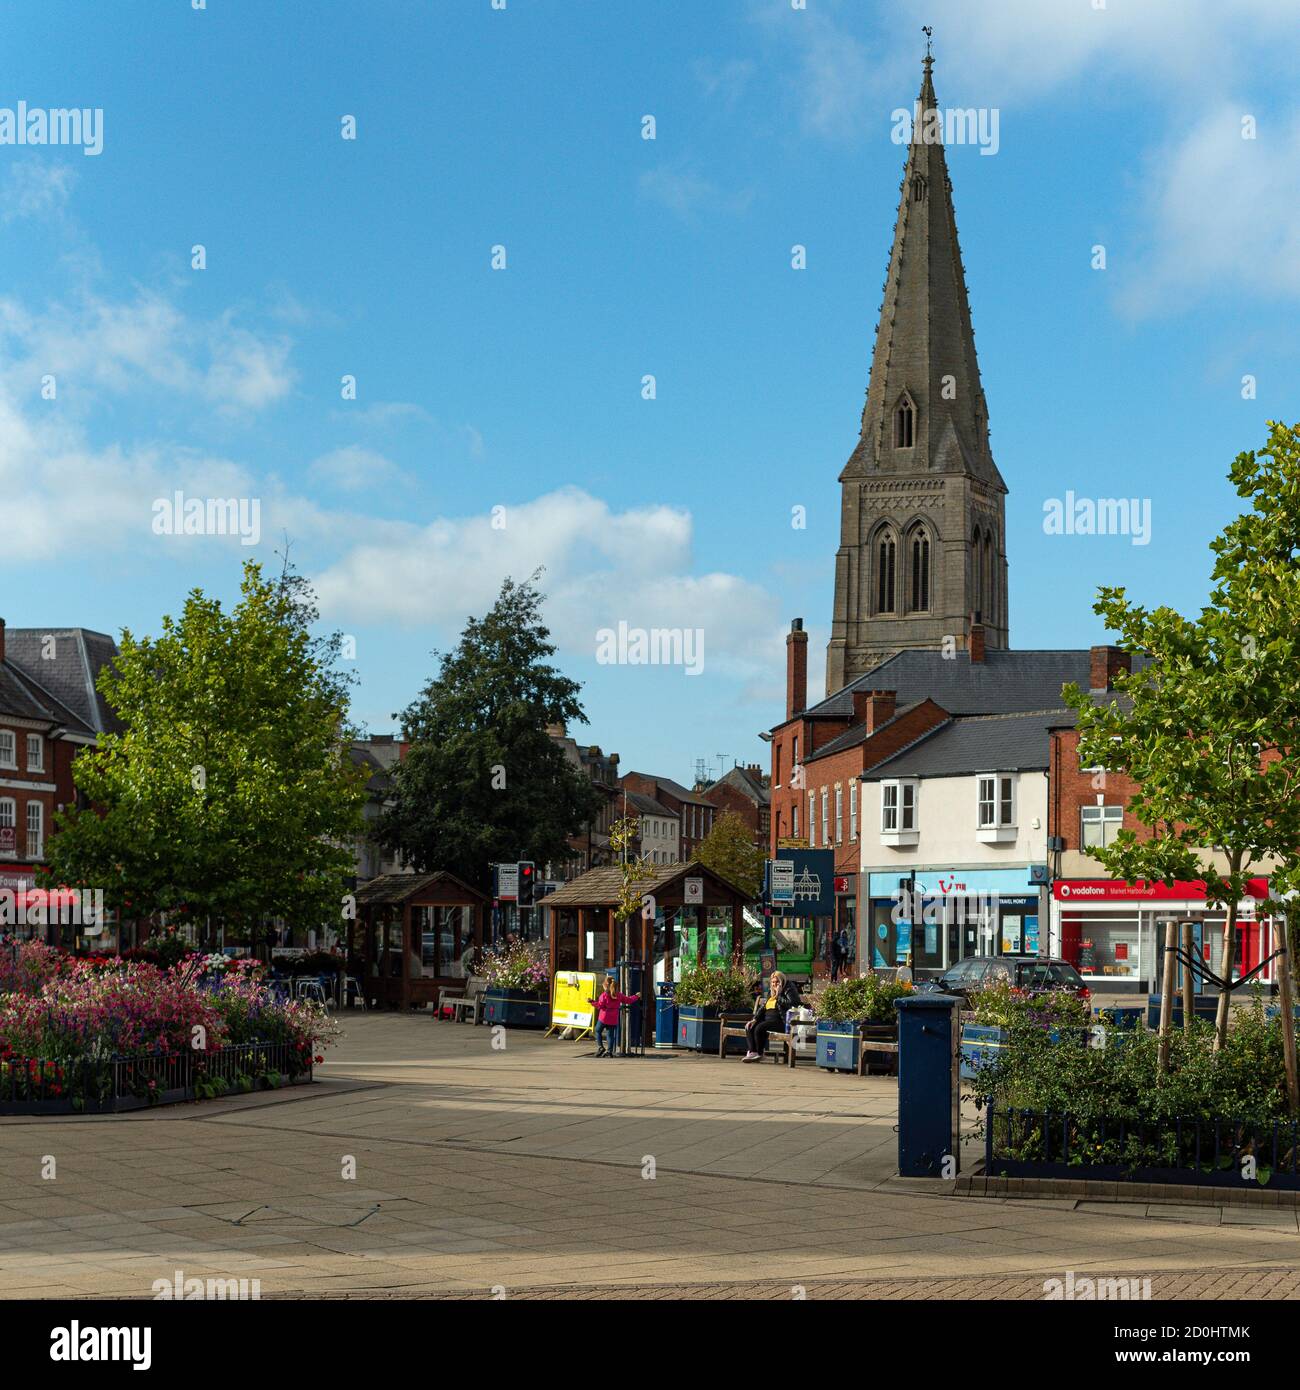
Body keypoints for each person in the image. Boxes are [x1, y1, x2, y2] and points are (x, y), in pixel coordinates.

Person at [743, 970, 803, 1062]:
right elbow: (763, 1007)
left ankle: (759, 1053)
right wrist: (754, 1019)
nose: (775, 984)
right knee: (750, 1026)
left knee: (760, 1028)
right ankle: (753, 1052)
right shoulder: (771, 992)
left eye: (777, 982)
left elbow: (794, 1004)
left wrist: (779, 995)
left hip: (782, 1021)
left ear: (782, 981)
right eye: (773, 982)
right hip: (768, 1020)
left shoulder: (788, 989)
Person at [593, 975, 638, 1058]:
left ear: (605, 985)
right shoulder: (619, 995)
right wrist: (636, 996)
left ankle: (600, 1047)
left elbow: (600, 1006)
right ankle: (609, 1051)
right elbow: (629, 1000)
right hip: (613, 1018)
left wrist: (592, 1002)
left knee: (597, 1030)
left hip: (604, 1017)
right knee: (610, 1035)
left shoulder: (604, 995)